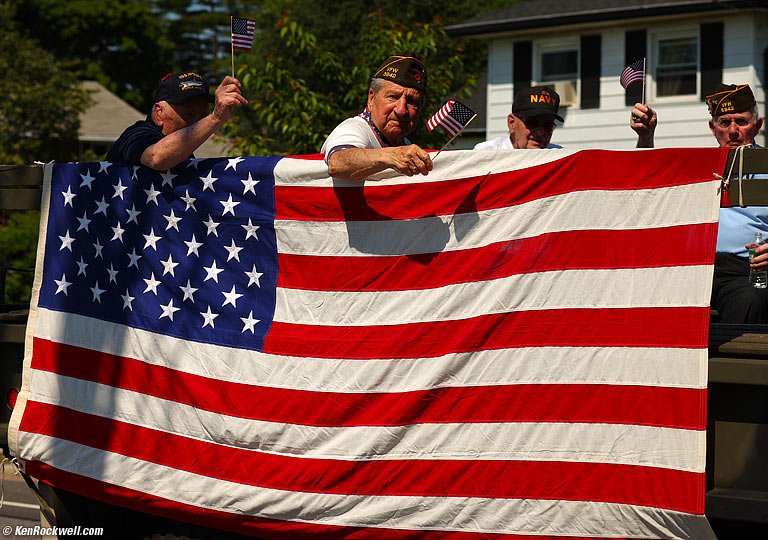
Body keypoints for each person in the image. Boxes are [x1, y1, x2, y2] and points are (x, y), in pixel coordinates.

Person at [630, 83, 768, 323]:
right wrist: (646, 137)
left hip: (747, 270)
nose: (733, 131)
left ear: (758, 125)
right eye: (724, 123)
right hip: (692, 269)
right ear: (713, 129)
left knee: (750, 301)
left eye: (741, 121)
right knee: (645, 300)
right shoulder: (698, 167)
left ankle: (733, 362)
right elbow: (647, 188)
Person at [321, 54, 433, 181]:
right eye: (393, 96)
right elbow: (337, 163)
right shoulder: (354, 128)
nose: (401, 110)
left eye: (412, 101)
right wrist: (392, 156)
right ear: (371, 99)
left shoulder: (404, 144)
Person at [106, 71, 247, 170]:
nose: (198, 123)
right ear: (159, 113)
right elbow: (156, 158)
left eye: (203, 116)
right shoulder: (136, 134)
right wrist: (215, 118)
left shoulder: (182, 150)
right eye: (189, 115)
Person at [474, 87, 564, 150]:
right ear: (512, 123)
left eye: (548, 126)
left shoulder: (560, 159)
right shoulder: (486, 155)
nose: (540, 133)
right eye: (532, 123)